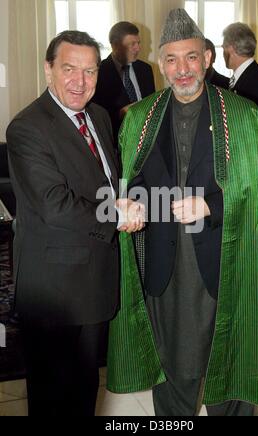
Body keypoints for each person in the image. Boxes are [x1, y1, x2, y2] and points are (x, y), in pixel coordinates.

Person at [106, 9, 258, 416]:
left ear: (207, 58)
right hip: (165, 268)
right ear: (161, 63)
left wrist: (211, 204)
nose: (182, 69)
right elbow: (134, 178)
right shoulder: (140, 119)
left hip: (228, 260)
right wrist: (134, 199)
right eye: (171, 59)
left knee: (229, 368)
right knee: (173, 372)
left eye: (191, 57)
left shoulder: (245, 119)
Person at [6, 30, 143, 417]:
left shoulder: (98, 116)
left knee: (84, 393)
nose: (80, 82)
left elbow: (106, 184)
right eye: (69, 69)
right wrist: (118, 214)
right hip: (54, 292)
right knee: (53, 399)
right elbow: (55, 205)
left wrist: (131, 201)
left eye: (90, 71)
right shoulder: (27, 127)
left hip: (95, 282)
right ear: (48, 69)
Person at [92, 21, 156, 143]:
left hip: (147, 142)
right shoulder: (99, 73)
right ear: (115, 45)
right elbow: (96, 118)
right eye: (132, 44)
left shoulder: (146, 69)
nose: (138, 48)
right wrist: (120, 114)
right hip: (117, 144)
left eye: (138, 43)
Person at [222, 22, 258, 124]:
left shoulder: (257, 81)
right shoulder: (251, 75)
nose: (223, 52)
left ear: (231, 47)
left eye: (223, 47)